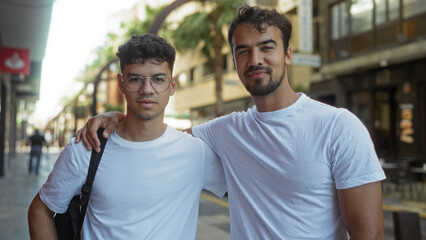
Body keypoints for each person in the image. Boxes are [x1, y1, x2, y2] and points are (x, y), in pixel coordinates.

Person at [76, 5, 386, 239]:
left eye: (267, 47)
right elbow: (153, 137)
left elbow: (368, 235)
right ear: (235, 61)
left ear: (288, 54)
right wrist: (115, 116)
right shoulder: (225, 131)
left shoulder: (339, 127)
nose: (255, 60)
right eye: (243, 51)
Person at [28, 34, 226, 239]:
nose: (147, 90)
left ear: (172, 85)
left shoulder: (196, 152)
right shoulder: (86, 148)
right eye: (135, 79)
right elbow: (40, 210)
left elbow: (252, 185)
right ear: (121, 84)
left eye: (158, 79)